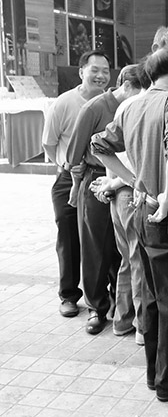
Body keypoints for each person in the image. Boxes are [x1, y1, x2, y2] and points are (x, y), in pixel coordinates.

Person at [91, 47, 168, 402]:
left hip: (141, 212)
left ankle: (157, 376)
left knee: (154, 298)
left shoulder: (132, 106)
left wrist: (134, 178)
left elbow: (99, 145)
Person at [64, 62, 142, 335]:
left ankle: (117, 306)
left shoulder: (133, 105)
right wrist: (77, 185)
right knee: (95, 249)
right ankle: (96, 308)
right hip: (96, 179)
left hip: (123, 181)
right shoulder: (95, 107)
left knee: (119, 251)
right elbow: (73, 155)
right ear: (128, 86)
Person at [42, 50, 111, 319]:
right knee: (68, 234)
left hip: (99, 178)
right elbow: (48, 142)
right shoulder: (64, 103)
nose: (101, 76)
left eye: (106, 71)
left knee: (100, 240)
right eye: (95, 70)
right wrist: (65, 165)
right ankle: (69, 295)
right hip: (67, 177)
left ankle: (105, 295)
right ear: (82, 71)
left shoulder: (110, 103)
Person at [88, 63, 152, 345]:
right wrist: (124, 181)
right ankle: (141, 326)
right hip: (130, 193)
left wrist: (109, 183)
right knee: (138, 262)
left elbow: (105, 150)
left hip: (118, 192)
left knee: (127, 260)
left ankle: (122, 321)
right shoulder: (144, 106)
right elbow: (124, 156)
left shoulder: (123, 108)